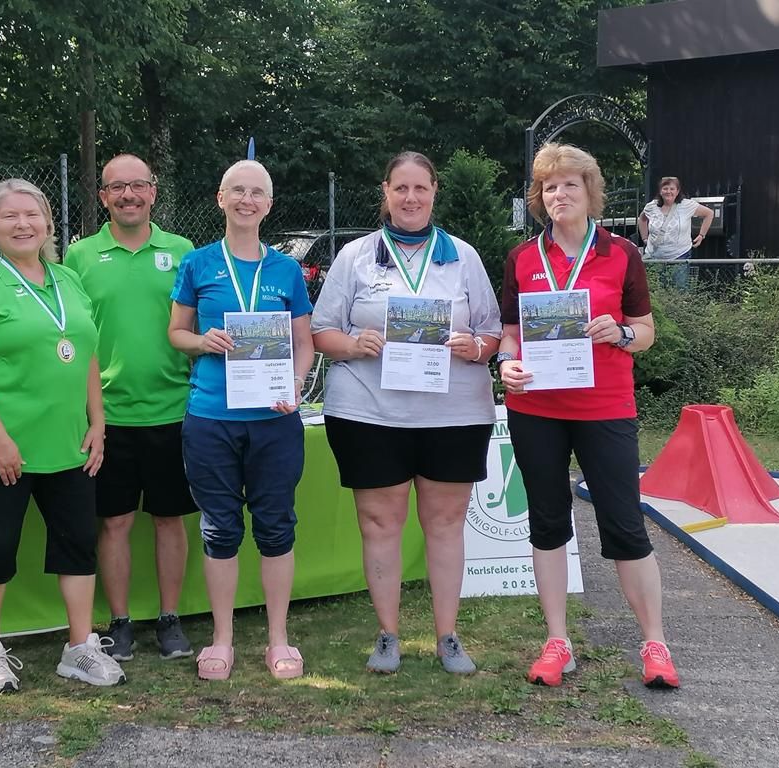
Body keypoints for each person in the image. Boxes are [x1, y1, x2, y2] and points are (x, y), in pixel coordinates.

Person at [311, 151, 501, 675]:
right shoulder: (354, 256)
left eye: (420, 188)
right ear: (386, 192)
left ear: (435, 191)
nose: (411, 198)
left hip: (453, 415)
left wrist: (474, 348)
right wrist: (353, 345)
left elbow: (492, 331)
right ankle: (388, 634)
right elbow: (322, 330)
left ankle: (448, 636)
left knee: (445, 523)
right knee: (380, 523)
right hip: (369, 414)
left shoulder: (463, 256)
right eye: (401, 188)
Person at [498, 143, 680, 689]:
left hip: (604, 407)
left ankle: (655, 643)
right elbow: (510, 334)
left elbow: (645, 332)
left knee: (624, 523)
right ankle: (557, 641)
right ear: (540, 197)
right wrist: (506, 364)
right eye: (549, 186)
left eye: (570, 184)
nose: (559, 194)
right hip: (536, 408)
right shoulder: (521, 258)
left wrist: (619, 332)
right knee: (548, 520)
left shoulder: (621, 253)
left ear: (590, 191)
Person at [0, 179, 123, 693]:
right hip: (6, 450)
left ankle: (80, 648)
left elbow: (85, 354)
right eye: (9, 216)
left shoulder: (68, 280)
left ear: (48, 224)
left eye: (32, 214)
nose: (23, 224)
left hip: (68, 445)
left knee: (78, 545)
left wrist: (97, 422)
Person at [167, 160, 315, 681]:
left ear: (269, 205)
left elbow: (304, 343)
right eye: (238, 191)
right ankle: (222, 639)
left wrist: (295, 383)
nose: (247, 200)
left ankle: (279, 639)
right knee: (220, 529)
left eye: (257, 193)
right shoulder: (198, 264)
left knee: (276, 527)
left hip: (274, 419)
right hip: (211, 418)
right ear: (221, 198)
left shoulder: (287, 270)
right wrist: (201, 340)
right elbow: (176, 333)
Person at [64, 154, 197, 663]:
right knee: (115, 523)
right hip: (107, 417)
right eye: (117, 187)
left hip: (174, 409)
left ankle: (169, 619)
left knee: (169, 520)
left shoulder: (182, 251)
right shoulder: (79, 256)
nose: (128, 195)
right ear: (103, 197)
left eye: (138, 185)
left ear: (153, 192)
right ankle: (119, 623)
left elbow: (197, 326)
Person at [638, 176, 714, 289]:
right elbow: (642, 219)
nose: (668, 191)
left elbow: (709, 213)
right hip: (655, 257)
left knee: (679, 291)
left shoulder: (687, 205)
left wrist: (701, 235)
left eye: (672, 189)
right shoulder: (651, 206)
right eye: (665, 188)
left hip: (679, 256)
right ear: (660, 191)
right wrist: (645, 238)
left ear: (677, 191)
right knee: (655, 291)